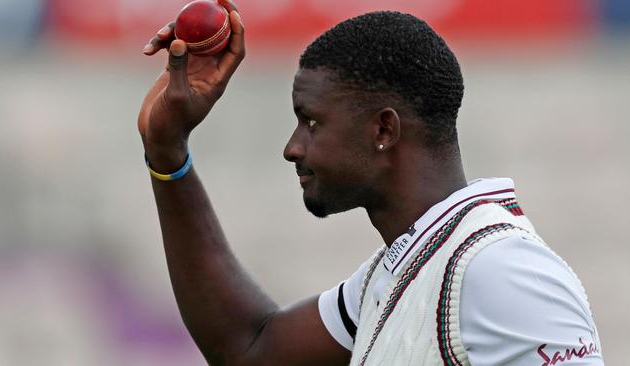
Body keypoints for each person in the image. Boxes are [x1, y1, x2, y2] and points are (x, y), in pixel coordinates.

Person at [137, 2, 604, 365]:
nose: (293, 147)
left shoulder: (499, 270)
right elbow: (251, 348)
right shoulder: (401, 269)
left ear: (384, 130)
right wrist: (166, 151)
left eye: (311, 121)